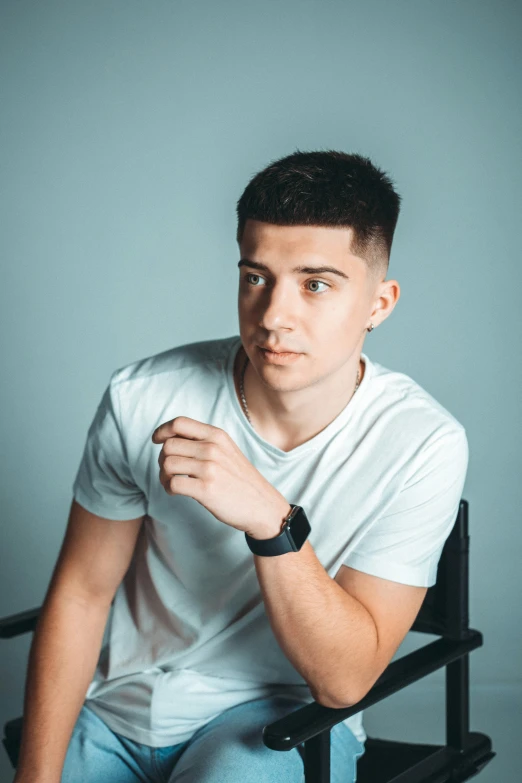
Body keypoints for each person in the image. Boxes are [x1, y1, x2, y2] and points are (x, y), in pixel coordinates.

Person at [14, 150, 469, 783]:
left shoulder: (422, 442)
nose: (274, 316)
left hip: (276, 725)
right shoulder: (143, 396)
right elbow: (82, 594)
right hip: (116, 712)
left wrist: (272, 521)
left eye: (316, 284)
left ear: (379, 302)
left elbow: (345, 681)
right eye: (256, 276)